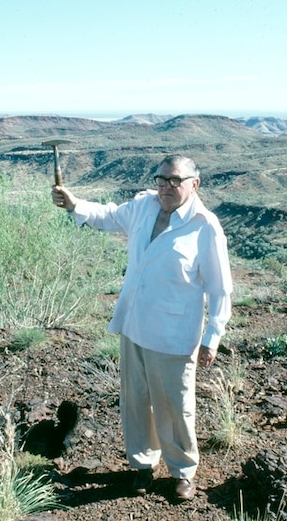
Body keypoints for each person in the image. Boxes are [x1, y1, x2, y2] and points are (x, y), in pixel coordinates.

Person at [51, 154, 233, 502]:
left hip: (174, 335)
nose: (166, 187)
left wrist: (213, 336)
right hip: (134, 325)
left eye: (175, 180)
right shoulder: (142, 207)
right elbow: (107, 215)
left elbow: (220, 288)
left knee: (176, 405)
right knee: (136, 400)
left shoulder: (204, 226)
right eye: (161, 179)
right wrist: (74, 204)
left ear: (194, 184)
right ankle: (142, 465)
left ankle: (183, 472)